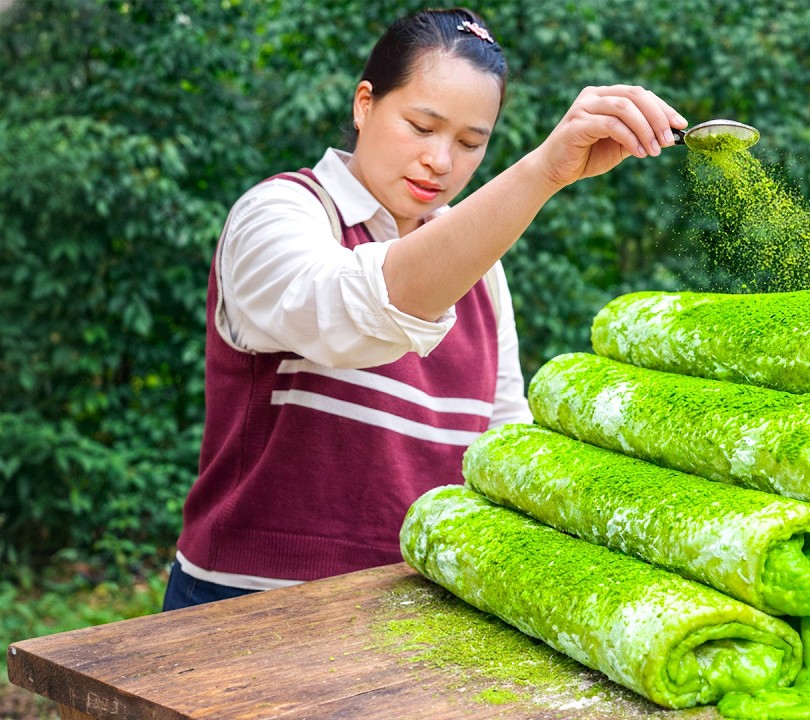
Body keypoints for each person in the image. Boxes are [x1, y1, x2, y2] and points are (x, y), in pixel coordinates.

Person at [163, 7, 686, 611]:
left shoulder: (481, 266)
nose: (442, 161)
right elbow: (355, 310)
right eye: (421, 126)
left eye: (471, 143)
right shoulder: (281, 213)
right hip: (245, 608)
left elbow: (504, 440)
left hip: (415, 612)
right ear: (365, 104)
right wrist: (543, 172)